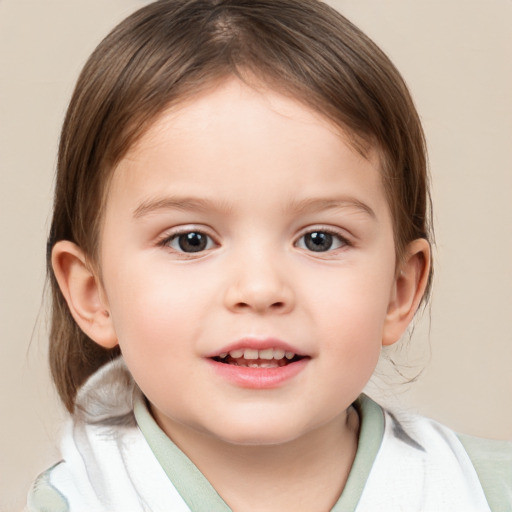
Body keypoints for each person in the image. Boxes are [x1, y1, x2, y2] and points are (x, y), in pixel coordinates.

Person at [27, 0, 511, 510]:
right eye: (191, 240)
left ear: (399, 290)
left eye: (320, 239)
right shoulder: (76, 502)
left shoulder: (483, 492)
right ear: (93, 293)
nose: (260, 289)